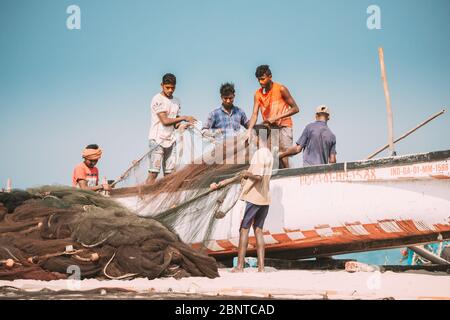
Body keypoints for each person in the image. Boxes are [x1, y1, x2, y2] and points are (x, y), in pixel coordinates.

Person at [211, 124, 274, 272]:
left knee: (243, 229)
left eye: (253, 136)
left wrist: (246, 173)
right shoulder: (270, 154)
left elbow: (257, 176)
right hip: (265, 198)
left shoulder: (259, 154)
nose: (252, 138)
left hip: (255, 197)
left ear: (258, 137)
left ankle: (239, 266)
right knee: (258, 230)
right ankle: (261, 268)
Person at [146, 73, 197, 184]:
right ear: (162, 85)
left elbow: (175, 122)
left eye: (172, 88)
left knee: (170, 174)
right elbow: (165, 121)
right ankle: (144, 197)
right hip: (157, 140)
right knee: (154, 172)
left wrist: (184, 125)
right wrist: (184, 118)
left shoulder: (176, 101)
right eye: (167, 87)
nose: (170, 90)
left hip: (171, 140)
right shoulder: (157, 99)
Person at [247, 65, 300, 168]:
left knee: (283, 154)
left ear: (270, 77)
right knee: (270, 156)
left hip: (284, 126)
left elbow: (295, 108)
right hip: (270, 128)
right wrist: (249, 130)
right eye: (258, 80)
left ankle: (286, 175)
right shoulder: (257, 94)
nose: (260, 82)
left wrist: (276, 117)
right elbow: (254, 114)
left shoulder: (281, 89)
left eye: (262, 79)